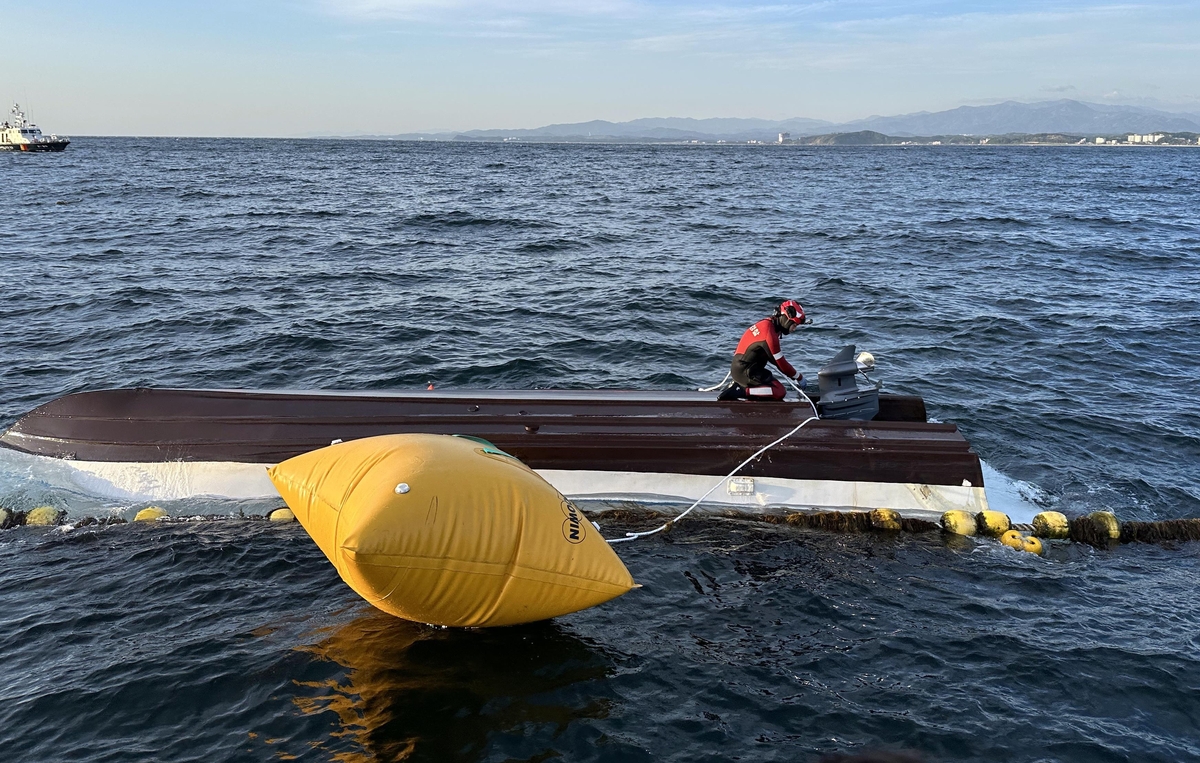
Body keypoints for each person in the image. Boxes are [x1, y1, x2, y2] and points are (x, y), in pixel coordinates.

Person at [718, 300, 809, 401]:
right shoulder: (769, 335)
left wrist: (793, 376)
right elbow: (781, 364)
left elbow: (771, 357)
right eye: (794, 325)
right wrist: (799, 377)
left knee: (772, 384)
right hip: (746, 372)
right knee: (779, 391)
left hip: (744, 368)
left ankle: (739, 386)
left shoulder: (767, 324)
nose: (794, 329)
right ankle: (741, 390)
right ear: (787, 319)